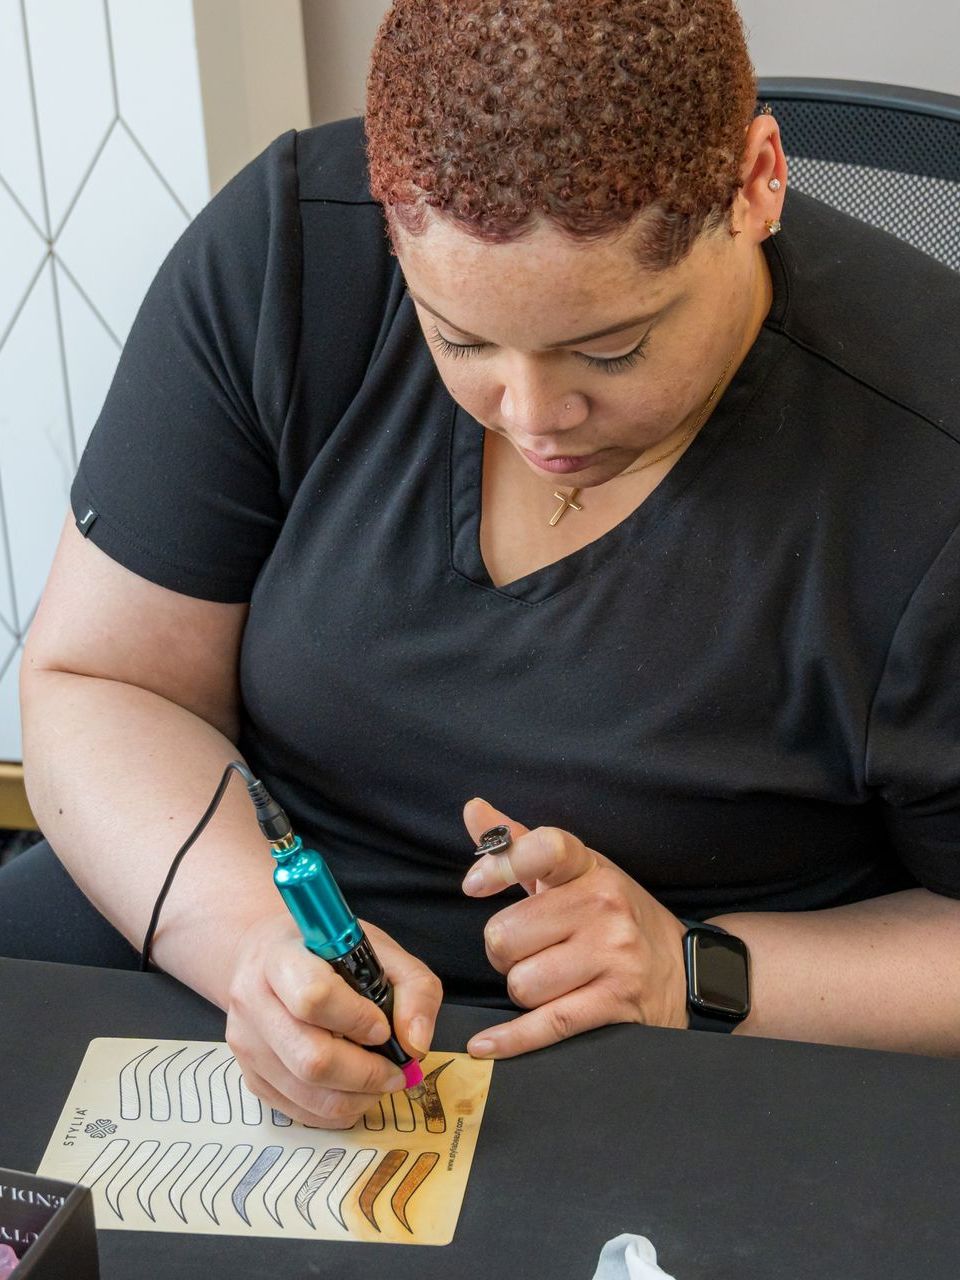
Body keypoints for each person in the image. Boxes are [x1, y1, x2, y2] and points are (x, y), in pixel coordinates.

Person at [7, 0, 960, 1128]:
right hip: (237, 920)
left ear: (756, 183)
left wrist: (692, 966)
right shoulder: (291, 256)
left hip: (692, 1049)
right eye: (457, 337)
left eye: (613, 346)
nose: (531, 415)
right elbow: (103, 679)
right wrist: (253, 940)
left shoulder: (923, 463)